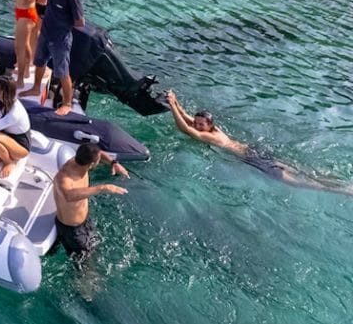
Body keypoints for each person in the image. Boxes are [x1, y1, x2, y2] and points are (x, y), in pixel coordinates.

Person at [165, 91, 353, 195]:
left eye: (200, 125)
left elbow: (185, 129)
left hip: (253, 158)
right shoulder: (215, 130)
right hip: (254, 151)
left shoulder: (209, 137)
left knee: (296, 182)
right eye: (197, 123)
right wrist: (175, 102)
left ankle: (344, 191)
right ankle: (340, 181)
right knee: (300, 170)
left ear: (209, 125)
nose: (197, 126)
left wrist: (172, 106)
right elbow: (188, 120)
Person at [21, 0, 84, 116]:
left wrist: (63, 23)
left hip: (60, 38)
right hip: (46, 31)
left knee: (62, 71)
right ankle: (36, 88)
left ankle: (67, 103)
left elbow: (80, 22)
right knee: (39, 61)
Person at [52, 143, 129, 261]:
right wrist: (103, 188)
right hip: (71, 230)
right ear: (92, 164)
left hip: (84, 221)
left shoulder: (81, 161)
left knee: (94, 247)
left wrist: (114, 163)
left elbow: (100, 153)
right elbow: (69, 196)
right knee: (84, 263)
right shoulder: (64, 178)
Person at [10, 0, 45, 89]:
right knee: (25, 45)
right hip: (20, 12)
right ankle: (25, 72)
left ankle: (20, 79)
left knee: (19, 47)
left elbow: (26, 0)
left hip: (27, 14)